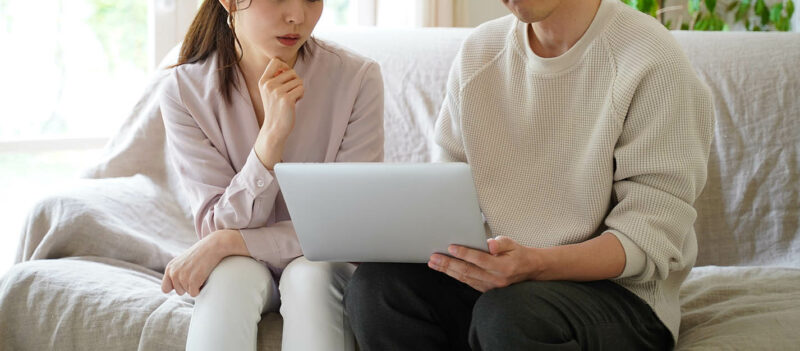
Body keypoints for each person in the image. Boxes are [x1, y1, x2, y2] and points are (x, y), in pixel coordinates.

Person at [345, 0, 714, 349]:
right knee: (377, 287)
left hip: (620, 295)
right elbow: (448, 195)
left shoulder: (651, 59)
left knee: (509, 314)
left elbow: (650, 238)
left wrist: (535, 265)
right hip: (501, 286)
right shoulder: (480, 53)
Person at [158, 0, 384, 350]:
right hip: (239, 266)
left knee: (309, 276)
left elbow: (348, 226)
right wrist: (271, 139)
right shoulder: (183, 91)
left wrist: (230, 241)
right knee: (230, 276)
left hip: (324, 264)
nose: (297, 16)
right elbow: (217, 224)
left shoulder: (357, 78)